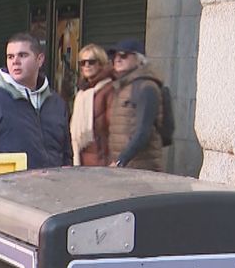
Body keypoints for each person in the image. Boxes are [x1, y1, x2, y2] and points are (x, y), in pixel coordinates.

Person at [0, 32, 71, 170]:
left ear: (40, 59)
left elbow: (66, 156)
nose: (15, 61)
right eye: (10, 56)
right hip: (6, 189)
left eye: (22, 55)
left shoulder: (57, 103)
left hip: (52, 188)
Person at [106, 38, 166, 171]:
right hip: (125, 168)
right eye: (114, 55)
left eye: (123, 55)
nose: (117, 59)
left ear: (139, 59)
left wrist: (120, 161)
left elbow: (143, 132)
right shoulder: (122, 87)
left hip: (141, 169)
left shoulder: (146, 87)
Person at [70, 43, 114, 166]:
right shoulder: (81, 94)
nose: (87, 66)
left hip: (103, 159)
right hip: (82, 158)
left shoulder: (109, 89)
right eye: (82, 63)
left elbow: (114, 129)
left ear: (101, 63)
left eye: (91, 62)